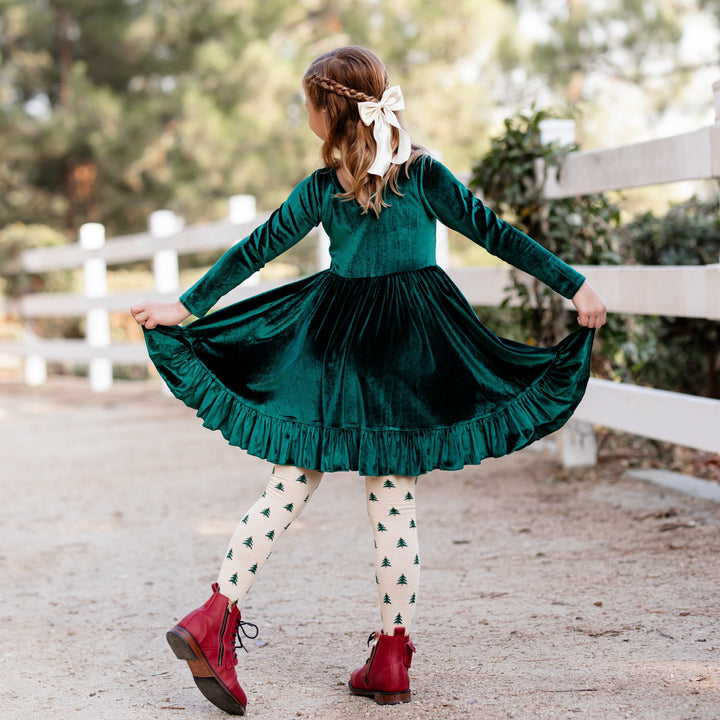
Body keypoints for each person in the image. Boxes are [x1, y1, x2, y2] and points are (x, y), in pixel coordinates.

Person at [131, 45, 606, 716]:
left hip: (335, 344)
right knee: (392, 494)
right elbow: (496, 235)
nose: (306, 118)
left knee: (292, 478)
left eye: (309, 107)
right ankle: (391, 653)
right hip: (408, 349)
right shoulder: (425, 175)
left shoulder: (323, 187)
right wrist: (575, 284)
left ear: (330, 110)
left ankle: (216, 613)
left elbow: (254, 251)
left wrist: (186, 309)